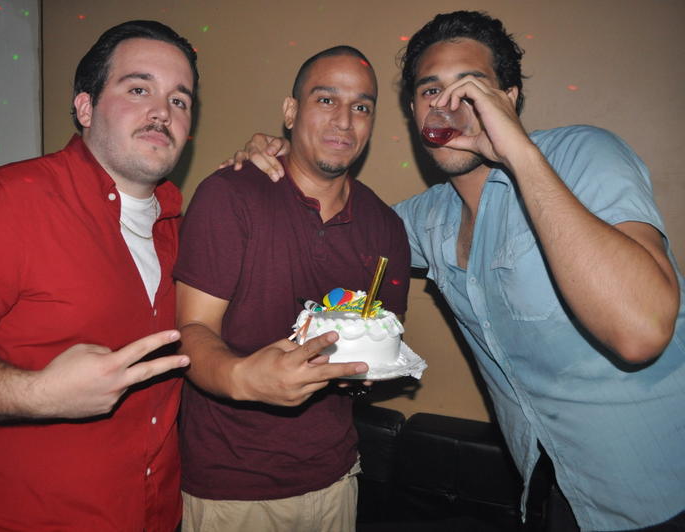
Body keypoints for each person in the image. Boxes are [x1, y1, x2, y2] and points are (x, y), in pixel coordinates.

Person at [228, 11, 685, 532]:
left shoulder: (584, 155)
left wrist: (517, 149)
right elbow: (337, 221)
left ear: (508, 98)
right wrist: (280, 160)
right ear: (414, 112)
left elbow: (641, 333)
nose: (446, 106)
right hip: (551, 494)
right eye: (431, 91)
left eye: (470, 90)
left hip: (664, 488)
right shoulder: (425, 219)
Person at [0, 20, 198, 532]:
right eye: (138, 89)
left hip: (157, 515)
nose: (162, 111)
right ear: (85, 107)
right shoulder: (6, 202)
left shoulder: (185, 228)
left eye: (179, 100)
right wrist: (38, 394)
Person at [173, 46, 410, 532]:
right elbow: (190, 332)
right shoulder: (230, 195)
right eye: (326, 100)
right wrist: (245, 377)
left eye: (361, 107)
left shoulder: (386, 227)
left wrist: (359, 373)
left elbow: (383, 338)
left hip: (335, 477)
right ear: (290, 111)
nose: (344, 121)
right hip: (231, 487)